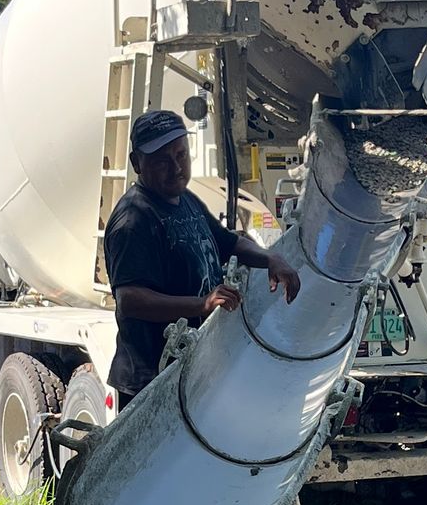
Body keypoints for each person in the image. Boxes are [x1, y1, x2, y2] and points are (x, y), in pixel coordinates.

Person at [102, 108, 301, 401]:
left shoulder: (185, 200)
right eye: (162, 161)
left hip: (194, 370)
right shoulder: (134, 220)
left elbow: (228, 243)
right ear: (137, 163)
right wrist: (201, 304)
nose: (176, 168)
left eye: (181, 155)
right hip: (153, 383)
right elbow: (130, 300)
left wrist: (270, 258)